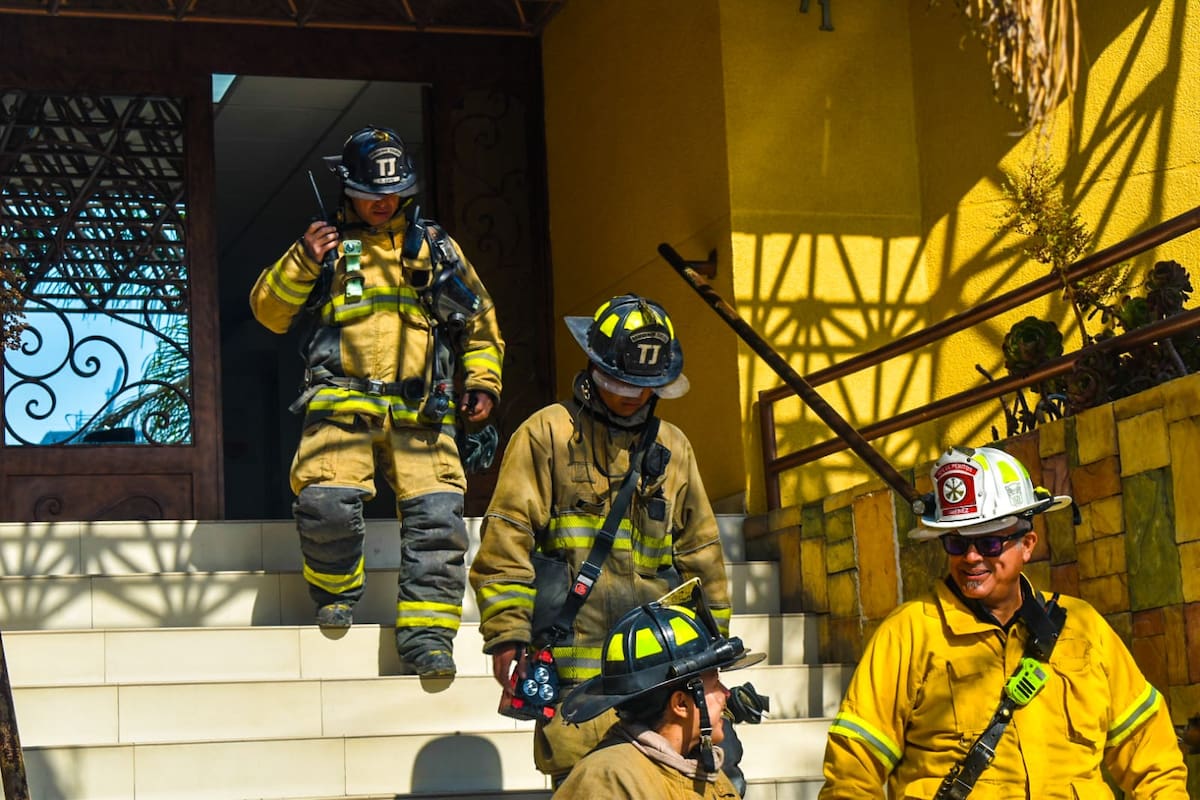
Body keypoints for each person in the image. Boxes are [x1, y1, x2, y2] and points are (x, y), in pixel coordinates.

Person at [249, 125, 504, 677]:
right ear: (348, 189)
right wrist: (303, 260)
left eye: (393, 191)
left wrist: (481, 383)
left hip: (422, 413)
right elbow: (268, 313)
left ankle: (429, 642)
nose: (383, 202)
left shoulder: (434, 248)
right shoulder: (323, 249)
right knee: (325, 505)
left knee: (439, 524)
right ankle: (335, 591)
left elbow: (479, 323)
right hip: (341, 408)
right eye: (371, 193)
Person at [819, 445, 1189, 798]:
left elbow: (1150, 754)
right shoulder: (909, 634)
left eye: (990, 543)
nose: (972, 557)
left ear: (1027, 544)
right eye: (956, 544)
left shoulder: (1083, 628)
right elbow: (853, 772)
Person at [468, 293, 733, 783]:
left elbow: (702, 554)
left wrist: (714, 656)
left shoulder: (673, 447)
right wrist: (507, 635)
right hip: (576, 686)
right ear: (593, 365)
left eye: (645, 386)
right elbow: (506, 542)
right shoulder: (546, 434)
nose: (633, 395)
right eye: (622, 382)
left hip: (660, 683)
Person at [553, 580, 763, 799]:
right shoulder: (608, 781)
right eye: (715, 683)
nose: (726, 694)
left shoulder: (705, 773)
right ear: (681, 704)